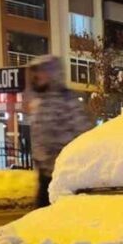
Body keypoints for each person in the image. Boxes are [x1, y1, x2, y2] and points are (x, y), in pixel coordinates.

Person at [26, 55, 91, 208]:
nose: (36, 76)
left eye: (41, 72)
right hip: (45, 174)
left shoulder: (68, 101)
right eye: (35, 72)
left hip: (63, 174)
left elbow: (83, 134)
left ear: (52, 73)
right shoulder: (39, 102)